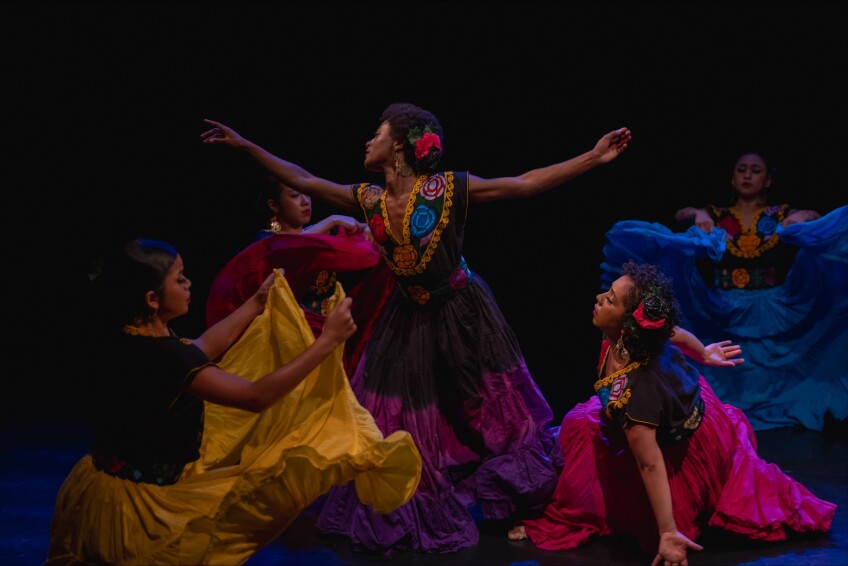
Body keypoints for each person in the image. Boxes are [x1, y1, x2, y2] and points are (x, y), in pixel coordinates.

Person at [200, 102, 632, 552]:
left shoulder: (444, 189)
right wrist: (247, 146)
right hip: (407, 319)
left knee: (494, 414)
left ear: (401, 145)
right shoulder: (368, 200)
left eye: (377, 132)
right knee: (395, 418)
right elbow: (304, 178)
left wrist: (591, 157)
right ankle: (403, 500)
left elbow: (521, 185)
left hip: (464, 314)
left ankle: (529, 500)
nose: (369, 141)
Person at [46, 238, 421, 565]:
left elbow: (202, 347)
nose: (189, 283)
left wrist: (257, 303)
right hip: (140, 508)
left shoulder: (130, 339)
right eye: (180, 279)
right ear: (152, 299)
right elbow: (255, 397)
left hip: (96, 488)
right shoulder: (167, 356)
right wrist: (327, 343)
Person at [509, 261, 836, 565]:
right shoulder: (630, 338)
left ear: (628, 324)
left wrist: (667, 531)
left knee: (657, 531)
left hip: (686, 442)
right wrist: (703, 353)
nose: (598, 299)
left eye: (609, 300)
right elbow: (675, 333)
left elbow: (649, 462)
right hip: (664, 409)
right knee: (581, 424)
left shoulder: (638, 393)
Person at [601, 150, 848, 431]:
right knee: (719, 359)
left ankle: (774, 405)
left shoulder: (779, 214)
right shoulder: (716, 215)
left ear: (767, 181)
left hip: (769, 306)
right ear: (732, 178)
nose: (747, 174)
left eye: (755, 170)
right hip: (723, 306)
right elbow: (680, 214)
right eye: (741, 169)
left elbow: (814, 216)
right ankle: (717, 409)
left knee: (770, 361)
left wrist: (805, 214)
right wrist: (697, 213)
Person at [206, 176, 396, 376]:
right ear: (274, 205)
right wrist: (332, 219)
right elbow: (289, 246)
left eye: (307, 194)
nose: (305, 201)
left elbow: (361, 232)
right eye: (295, 195)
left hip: (330, 329)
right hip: (290, 337)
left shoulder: (324, 235)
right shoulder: (266, 245)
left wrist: (375, 230)